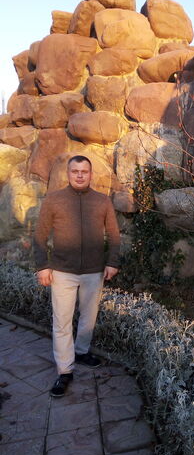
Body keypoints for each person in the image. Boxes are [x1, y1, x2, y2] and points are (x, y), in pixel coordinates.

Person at [33, 155, 120, 397]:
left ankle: (81, 352)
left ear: (90, 174)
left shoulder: (102, 201)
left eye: (84, 171)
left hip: (93, 271)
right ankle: (64, 371)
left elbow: (114, 234)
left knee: (88, 318)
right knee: (61, 322)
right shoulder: (54, 199)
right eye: (75, 171)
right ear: (68, 173)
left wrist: (112, 262)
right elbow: (40, 235)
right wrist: (42, 266)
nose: (80, 175)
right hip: (62, 271)